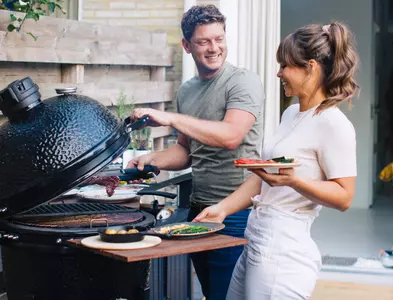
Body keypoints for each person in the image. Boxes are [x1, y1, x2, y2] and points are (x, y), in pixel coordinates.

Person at [195, 21, 359, 299]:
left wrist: (294, 181)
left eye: (285, 65)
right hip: (257, 235)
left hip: (284, 250)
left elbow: (344, 196)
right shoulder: (291, 114)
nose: (278, 73)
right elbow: (264, 178)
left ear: (310, 67)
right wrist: (222, 208)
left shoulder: (333, 123)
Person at [127, 4, 264, 300]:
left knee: (227, 294)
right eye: (204, 41)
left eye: (219, 39)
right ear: (187, 46)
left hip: (238, 210)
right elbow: (186, 151)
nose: (214, 48)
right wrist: (152, 159)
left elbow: (231, 136)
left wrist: (172, 118)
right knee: (211, 290)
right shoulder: (187, 91)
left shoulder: (242, 82)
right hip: (198, 209)